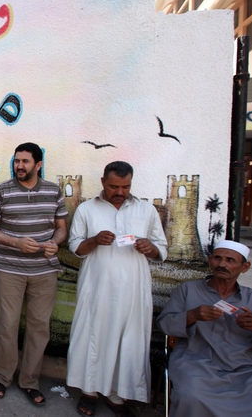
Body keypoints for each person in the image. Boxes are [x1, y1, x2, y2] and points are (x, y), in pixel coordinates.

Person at [67, 161, 167, 416]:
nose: (120, 191)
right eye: (114, 186)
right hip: (96, 287)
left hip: (134, 289)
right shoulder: (86, 209)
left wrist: (150, 248)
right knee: (93, 337)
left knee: (128, 341)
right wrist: (94, 240)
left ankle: (117, 396)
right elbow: (75, 246)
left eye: (125, 186)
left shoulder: (146, 210)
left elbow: (161, 248)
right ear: (103, 182)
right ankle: (89, 392)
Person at [0, 142, 67, 406]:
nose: (19, 165)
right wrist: (15, 242)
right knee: (7, 326)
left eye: (25, 161)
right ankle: (2, 377)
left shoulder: (53, 191)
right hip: (10, 269)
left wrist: (56, 241)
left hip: (44, 271)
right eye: (17, 160)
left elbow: (61, 228)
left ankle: (29, 381)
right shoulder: (1, 191)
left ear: (38, 164)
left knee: (39, 328)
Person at [157, 240, 252, 416]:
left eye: (230, 260)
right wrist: (193, 315)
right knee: (191, 395)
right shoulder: (188, 290)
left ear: (245, 267)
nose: (222, 264)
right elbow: (164, 325)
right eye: (217, 258)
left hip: (247, 367)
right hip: (196, 362)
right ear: (210, 260)